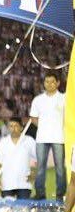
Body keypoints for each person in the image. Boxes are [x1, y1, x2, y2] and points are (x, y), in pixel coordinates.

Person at [28, 72, 66, 200]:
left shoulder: (64, 98)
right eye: (47, 81)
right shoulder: (38, 99)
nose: (49, 84)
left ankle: (60, 195)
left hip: (59, 138)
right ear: (44, 83)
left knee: (60, 168)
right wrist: (44, 126)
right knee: (40, 168)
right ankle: (40, 194)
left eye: (52, 82)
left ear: (58, 83)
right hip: (42, 138)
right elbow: (33, 117)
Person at [0, 117, 36, 199]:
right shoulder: (4, 142)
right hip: (7, 184)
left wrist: (34, 173)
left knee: (23, 206)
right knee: (7, 207)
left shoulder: (29, 141)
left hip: (24, 184)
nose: (13, 129)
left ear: (21, 128)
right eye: (11, 126)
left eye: (16, 126)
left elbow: (39, 159)